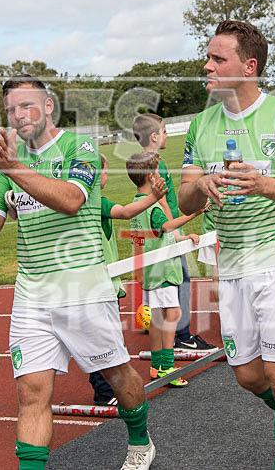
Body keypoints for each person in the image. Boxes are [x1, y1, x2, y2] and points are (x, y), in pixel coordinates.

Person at [0, 74, 155, 470]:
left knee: (119, 376)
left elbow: (71, 199)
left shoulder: (78, 146)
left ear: (48, 106)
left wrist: (15, 168)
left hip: (83, 288)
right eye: (11, 110)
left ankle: (140, 439)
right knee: (32, 394)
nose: (18, 116)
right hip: (32, 295)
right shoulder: (9, 166)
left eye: (26, 106)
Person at [179, 19, 275, 470]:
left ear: (248, 67)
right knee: (248, 375)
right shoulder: (201, 125)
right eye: (207, 57)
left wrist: (264, 184)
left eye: (217, 58)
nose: (206, 66)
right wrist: (202, 184)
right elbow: (185, 196)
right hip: (230, 264)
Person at [132, 113, 218, 352]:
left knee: (172, 282)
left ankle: (173, 333)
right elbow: (162, 203)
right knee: (179, 280)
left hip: (167, 233)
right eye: (165, 130)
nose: (167, 135)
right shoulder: (155, 167)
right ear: (154, 136)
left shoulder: (150, 162)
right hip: (167, 235)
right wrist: (178, 230)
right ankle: (181, 335)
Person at [89, 152, 167, 406]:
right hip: (99, 282)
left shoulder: (95, 201)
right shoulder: (94, 201)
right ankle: (104, 390)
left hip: (104, 281)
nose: (106, 176)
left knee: (102, 336)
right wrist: (155, 197)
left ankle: (106, 386)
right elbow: (124, 212)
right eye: (104, 172)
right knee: (101, 338)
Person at [127, 151, 201, 386]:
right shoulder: (153, 208)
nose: (160, 175)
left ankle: (156, 365)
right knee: (173, 314)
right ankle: (167, 368)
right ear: (151, 177)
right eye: (157, 171)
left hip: (151, 270)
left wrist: (183, 238)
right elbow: (166, 227)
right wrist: (195, 213)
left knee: (158, 317)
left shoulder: (136, 205)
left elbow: (151, 237)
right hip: (163, 270)